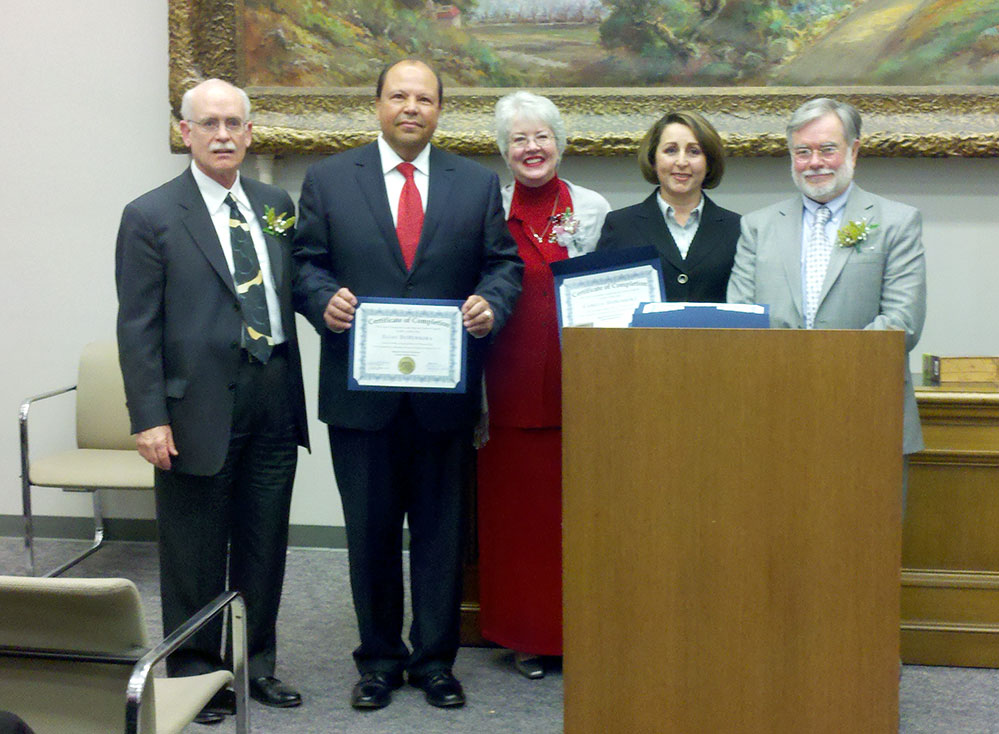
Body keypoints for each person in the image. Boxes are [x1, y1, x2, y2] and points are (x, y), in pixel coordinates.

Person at [292, 59, 523, 710]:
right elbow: (303, 264)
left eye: (424, 98)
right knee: (367, 535)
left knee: (440, 536)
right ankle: (377, 662)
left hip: (442, 398)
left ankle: (433, 663)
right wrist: (321, 300)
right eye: (399, 96)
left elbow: (502, 268)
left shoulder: (475, 185)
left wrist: (489, 305)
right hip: (359, 398)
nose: (411, 108)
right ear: (377, 105)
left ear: (439, 111)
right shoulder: (330, 180)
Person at [116, 78, 309, 724]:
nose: (223, 134)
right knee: (194, 552)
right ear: (185, 133)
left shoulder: (275, 204)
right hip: (193, 407)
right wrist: (148, 416)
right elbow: (137, 326)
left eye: (234, 123)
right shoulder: (150, 215)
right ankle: (199, 674)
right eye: (209, 124)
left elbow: (297, 288)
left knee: (263, 543)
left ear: (250, 133)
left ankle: (255, 666)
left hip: (273, 399)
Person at [727, 97, 926, 490]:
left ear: (853, 150)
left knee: (866, 543)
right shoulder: (757, 227)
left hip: (867, 411)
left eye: (827, 149)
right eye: (802, 152)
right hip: (772, 415)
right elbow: (739, 319)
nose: (814, 162)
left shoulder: (897, 223)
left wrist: (826, 372)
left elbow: (902, 322)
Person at [477, 91, 609, 680]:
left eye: (541, 137)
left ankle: (581, 632)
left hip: (580, 393)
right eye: (518, 140)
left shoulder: (595, 208)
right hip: (505, 390)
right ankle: (526, 636)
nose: (532, 148)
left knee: (579, 519)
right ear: (504, 152)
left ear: (560, 142)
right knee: (518, 524)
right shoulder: (488, 209)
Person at [596, 110, 740, 302]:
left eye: (694, 151)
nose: (681, 162)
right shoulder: (620, 226)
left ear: (709, 162)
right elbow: (603, 300)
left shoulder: (738, 228)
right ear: (653, 159)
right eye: (670, 150)